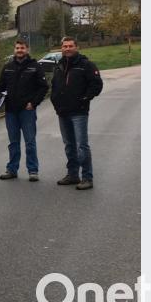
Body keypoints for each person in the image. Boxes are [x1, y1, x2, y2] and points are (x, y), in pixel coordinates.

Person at [50, 37, 103, 190]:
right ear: (61, 48)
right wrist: (55, 102)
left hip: (79, 112)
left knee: (82, 146)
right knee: (69, 145)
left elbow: (97, 84)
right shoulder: (59, 65)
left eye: (70, 46)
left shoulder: (86, 64)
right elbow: (54, 86)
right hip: (62, 112)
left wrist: (85, 99)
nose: (67, 48)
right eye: (65, 46)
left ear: (77, 47)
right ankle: (73, 175)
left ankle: (87, 178)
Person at [0, 39, 49, 181]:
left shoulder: (35, 67)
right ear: (14, 50)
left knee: (30, 142)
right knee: (13, 142)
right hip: (11, 111)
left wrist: (34, 103)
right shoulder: (7, 67)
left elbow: (44, 87)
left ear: (27, 50)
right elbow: (0, 87)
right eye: (17, 48)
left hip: (27, 111)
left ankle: (33, 170)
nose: (19, 50)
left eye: (22, 48)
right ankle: (12, 169)